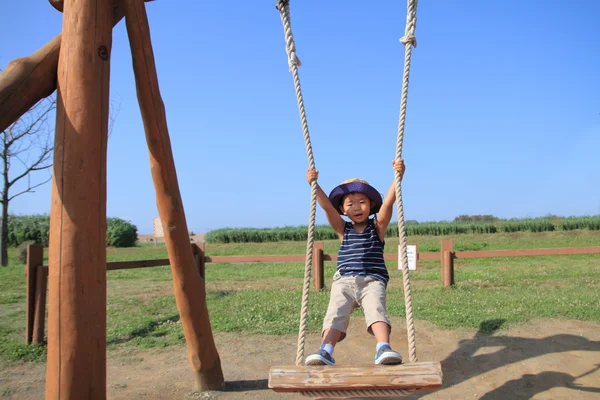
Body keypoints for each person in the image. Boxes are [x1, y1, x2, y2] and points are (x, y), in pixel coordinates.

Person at [304, 159, 406, 366]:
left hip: (372, 280)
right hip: (344, 281)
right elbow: (327, 209)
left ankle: (383, 347)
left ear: (370, 205)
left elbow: (388, 203)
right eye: (350, 204)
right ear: (342, 209)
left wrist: (398, 178)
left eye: (362, 202)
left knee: (376, 309)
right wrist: (314, 184)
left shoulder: (377, 227)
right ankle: (325, 350)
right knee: (335, 312)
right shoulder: (344, 229)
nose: (357, 207)